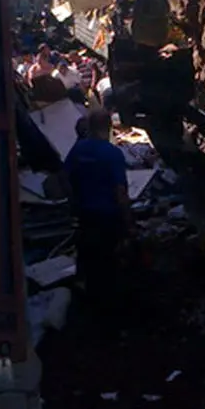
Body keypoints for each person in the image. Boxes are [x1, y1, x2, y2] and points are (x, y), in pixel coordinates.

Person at [64, 110, 131, 328]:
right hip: (108, 218)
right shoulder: (113, 154)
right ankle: (109, 316)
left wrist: (74, 205)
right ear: (109, 127)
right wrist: (128, 221)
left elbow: (66, 181)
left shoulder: (77, 150)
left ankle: (89, 309)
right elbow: (120, 192)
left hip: (85, 216)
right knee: (109, 264)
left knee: (88, 261)